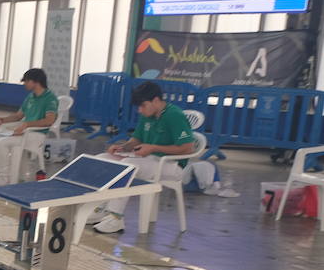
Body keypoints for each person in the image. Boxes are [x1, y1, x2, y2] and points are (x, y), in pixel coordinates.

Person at [87, 81, 236, 234]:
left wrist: (153, 148)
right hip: (148, 161)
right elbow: (137, 139)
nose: (140, 110)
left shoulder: (174, 115)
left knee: (128, 165)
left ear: (156, 100)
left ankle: (115, 218)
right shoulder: (148, 115)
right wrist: (122, 148)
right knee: (102, 159)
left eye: (143, 105)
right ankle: (100, 208)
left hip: (172, 166)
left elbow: (187, 148)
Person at [0, 68, 58, 186]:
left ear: (36, 82)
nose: (24, 84)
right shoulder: (30, 97)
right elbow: (18, 116)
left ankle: (5, 178)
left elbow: (49, 120)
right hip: (22, 131)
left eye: (26, 81)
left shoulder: (50, 98)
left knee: (2, 142)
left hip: (36, 135)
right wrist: (2, 120)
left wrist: (27, 124)